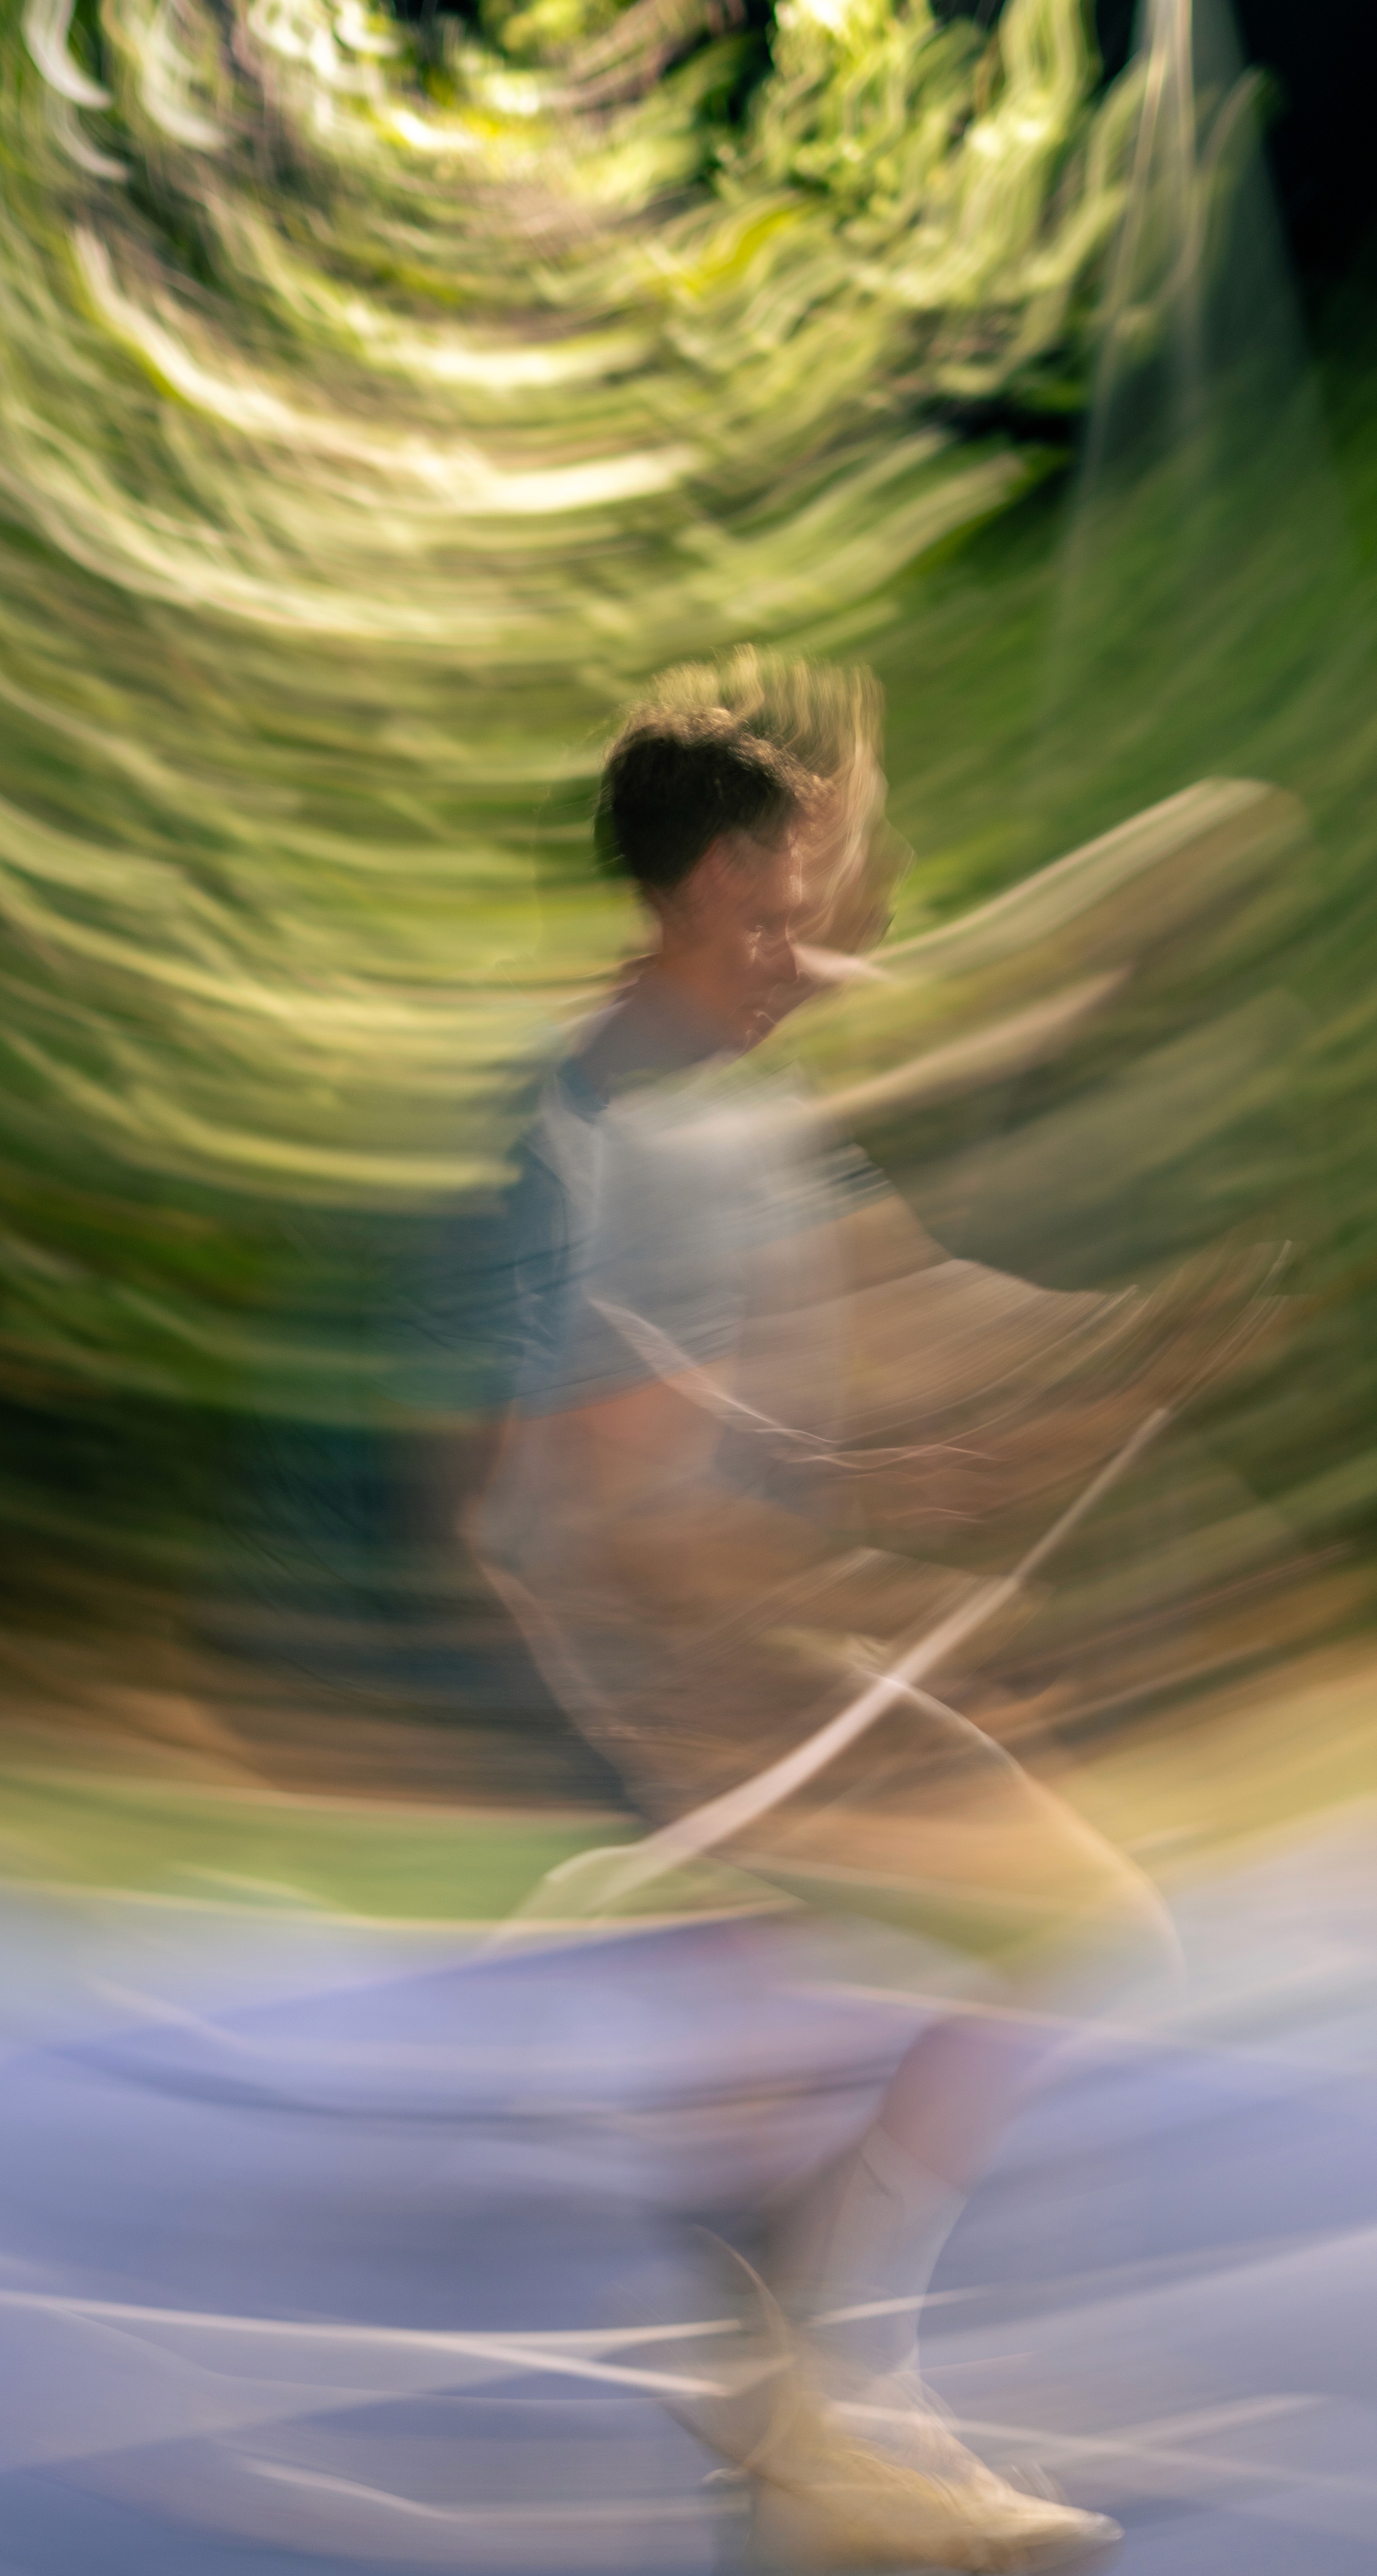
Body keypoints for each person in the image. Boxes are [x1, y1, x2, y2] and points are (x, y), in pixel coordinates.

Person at [464, 649, 1252, 2572]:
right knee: (1075, 1915)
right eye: (800, 891)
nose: (825, 933)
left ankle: (788, 2372)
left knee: (804, 2007)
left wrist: (1120, 1350)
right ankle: (806, 2338)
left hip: (707, 1646)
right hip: (692, 1658)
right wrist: (882, 1583)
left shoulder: (696, 1077)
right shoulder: (652, 1134)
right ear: (728, 883)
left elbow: (892, 1287)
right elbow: (636, 1510)